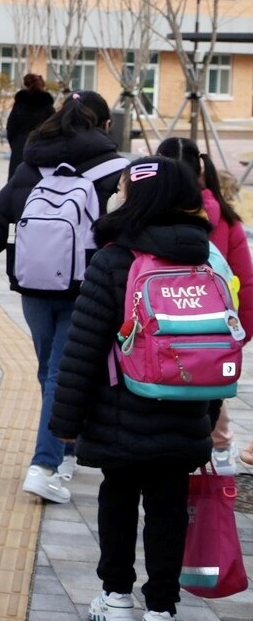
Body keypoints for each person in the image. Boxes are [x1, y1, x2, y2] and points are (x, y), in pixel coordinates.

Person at [0, 92, 125, 504]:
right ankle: (46, 465)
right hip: (86, 287)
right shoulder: (113, 170)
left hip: (34, 284)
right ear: (103, 126)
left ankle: (66, 450)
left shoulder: (31, 166)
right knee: (60, 374)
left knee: (49, 371)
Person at [50, 158, 221, 621]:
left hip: (121, 406)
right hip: (187, 406)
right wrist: (210, 416)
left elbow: (83, 348)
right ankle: (162, 608)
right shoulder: (203, 256)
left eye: (122, 188)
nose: (116, 195)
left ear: (138, 197)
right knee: (168, 507)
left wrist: (65, 422)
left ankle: (117, 598)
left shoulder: (113, 259)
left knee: (119, 498)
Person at [156, 136, 253, 475]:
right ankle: (220, 453)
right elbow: (247, 279)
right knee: (209, 396)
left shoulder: (149, 217)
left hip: (160, 337)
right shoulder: (225, 218)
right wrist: (240, 335)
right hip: (212, 332)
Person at [6, 72, 55, 180]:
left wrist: (14, 144)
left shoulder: (19, 104)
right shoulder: (48, 106)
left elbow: (10, 127)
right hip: (41, 146)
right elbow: (54, 128)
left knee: (16, 180)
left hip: (20, 145)